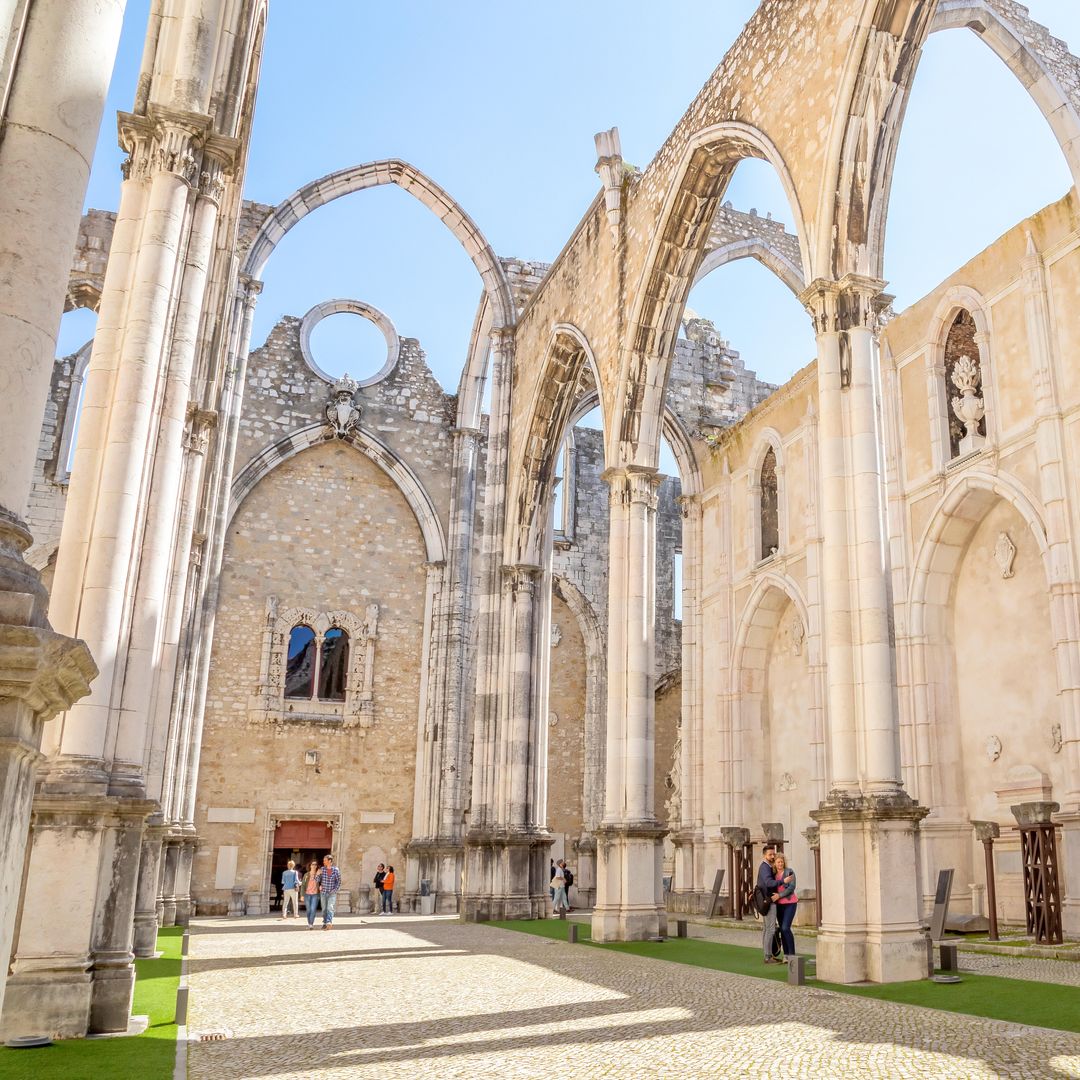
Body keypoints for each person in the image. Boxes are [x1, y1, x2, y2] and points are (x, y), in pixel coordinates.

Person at [771, 851, 798, 961]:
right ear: (775, 864)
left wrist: (779, 895)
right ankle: (786, 955)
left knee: (786, 928)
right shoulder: (773, 875)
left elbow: (791, 888)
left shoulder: (789, 872)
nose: (780, 864)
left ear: (784, 862)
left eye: (781, 862)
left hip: (790, 903)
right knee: (782, 930)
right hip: (779, 905)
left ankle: (792, 954)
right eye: (778, 862)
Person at [758, 843, 781, 964]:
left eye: (773, 854)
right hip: (769, 901)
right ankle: (768, 956)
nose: (772, 856)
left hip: (766, 901)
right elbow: (768, 883)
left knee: (767, 929)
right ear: (764, 855)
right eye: (770, 854)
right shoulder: (765, 867)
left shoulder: (766, 867)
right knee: (770, 929)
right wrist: (782, 881)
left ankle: (768, 954)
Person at [315, 853, 341, 930]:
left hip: (332, 893)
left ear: (330, 861)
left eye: (325, 860)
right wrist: (317, 874)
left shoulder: (336, 870)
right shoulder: (322, 869)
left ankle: (329, 922)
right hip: (323, 892)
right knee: (324, 909)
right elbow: (317, 880)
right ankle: (325, 922)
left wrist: (335, 890)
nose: (323, 861)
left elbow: (338, 881)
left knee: (330, 907)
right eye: (323, 860)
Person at [301, 860, 320, 929]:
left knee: (313, 909)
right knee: (308, 910)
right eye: (313, 864)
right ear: (310, 866)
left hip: (315, 894)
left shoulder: (319, 874)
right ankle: (309, 923)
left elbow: (321, 882)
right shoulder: (306, 875)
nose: (314, 866)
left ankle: (311, 924)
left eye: (315, 864)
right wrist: (302, 895)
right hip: (307, 894)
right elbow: (303, 885)